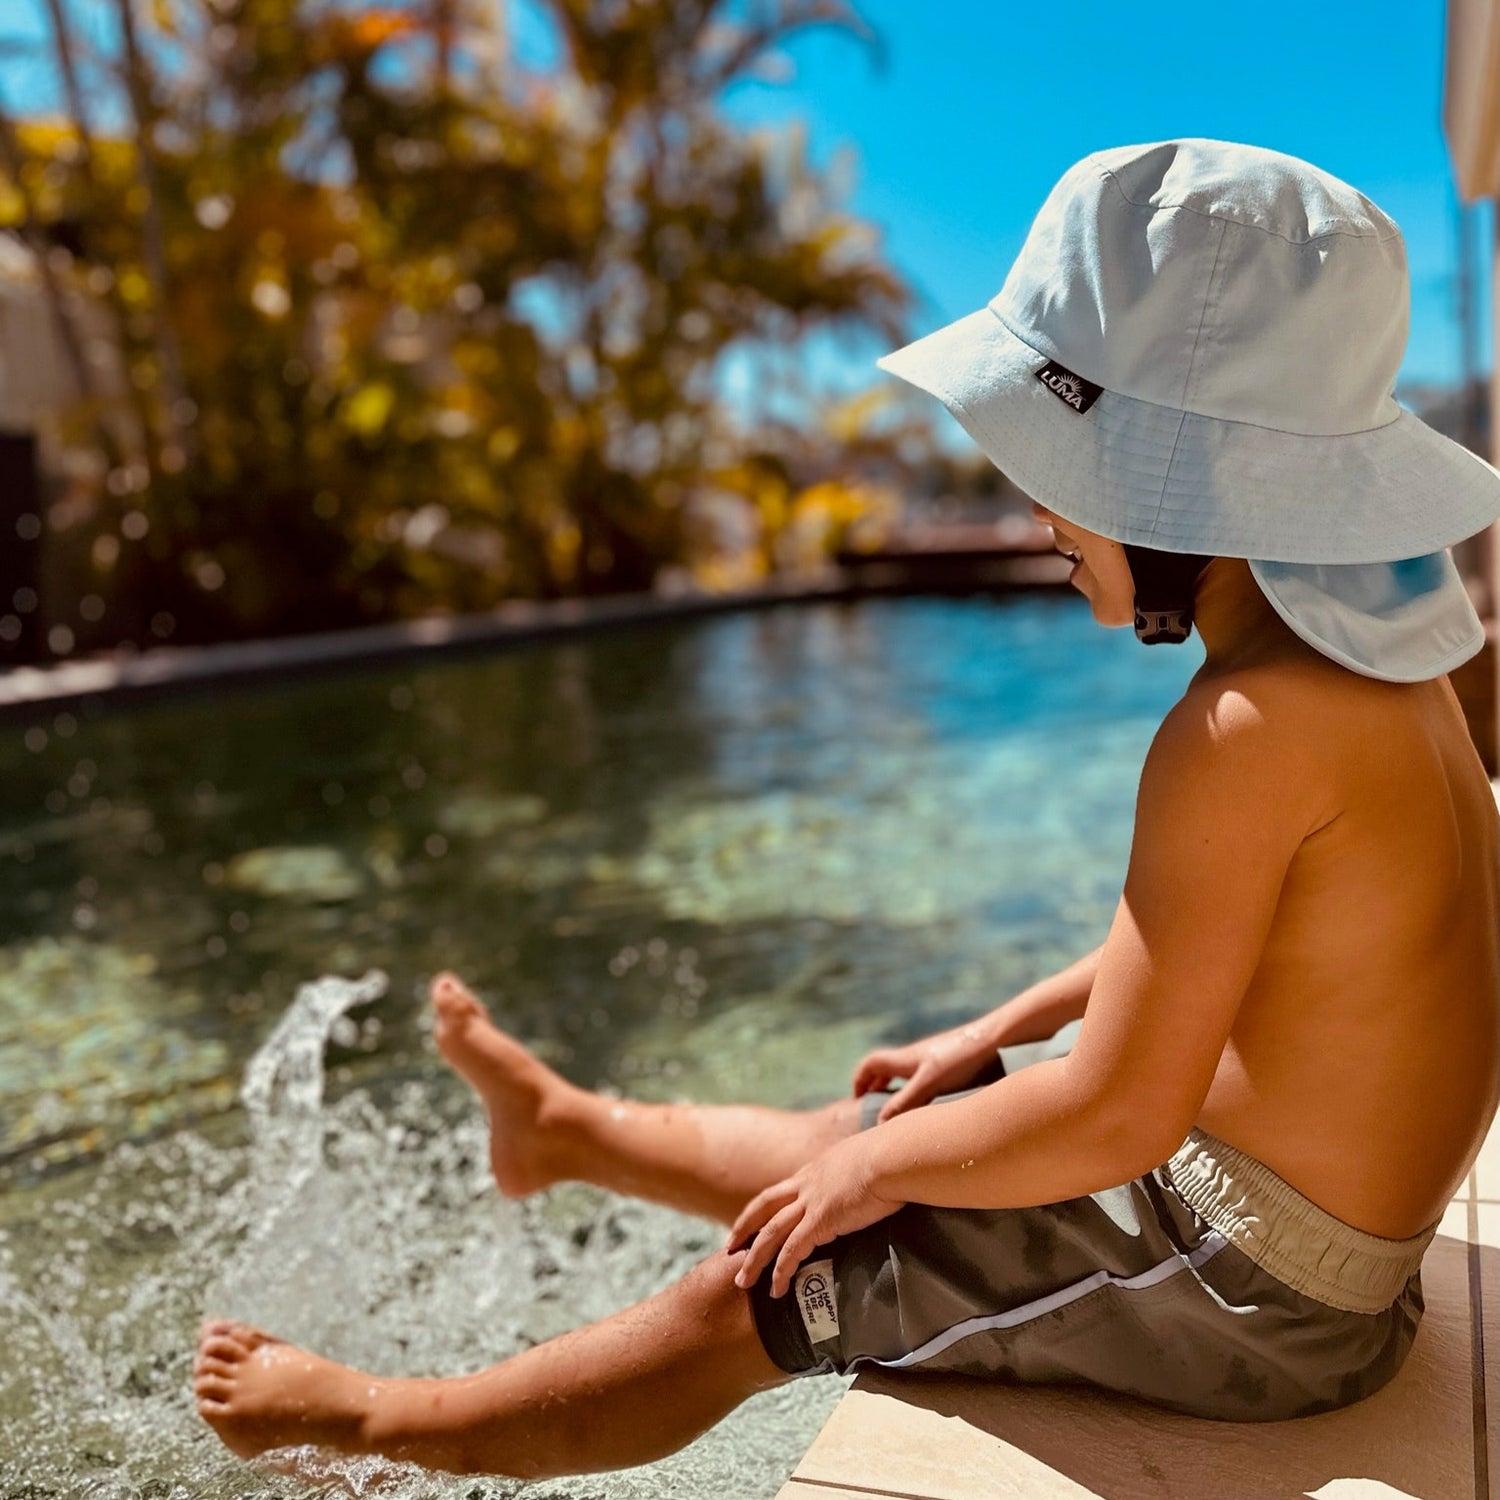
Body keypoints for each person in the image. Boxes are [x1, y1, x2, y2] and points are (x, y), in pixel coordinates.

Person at [194, 138, 1500, 1477]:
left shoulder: (1238, 733)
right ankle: (572, 1133)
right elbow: (1229, 942)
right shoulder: (1389, 676)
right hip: (1298, 1245)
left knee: (764, 1284)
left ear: (1178, 483)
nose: (1032, 506)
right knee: (880, 1133)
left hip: (1255, 1300)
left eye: (1059, 466)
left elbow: (1120, 1120)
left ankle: (367, 1417)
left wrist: (873, 1185)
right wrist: (996, 1028)